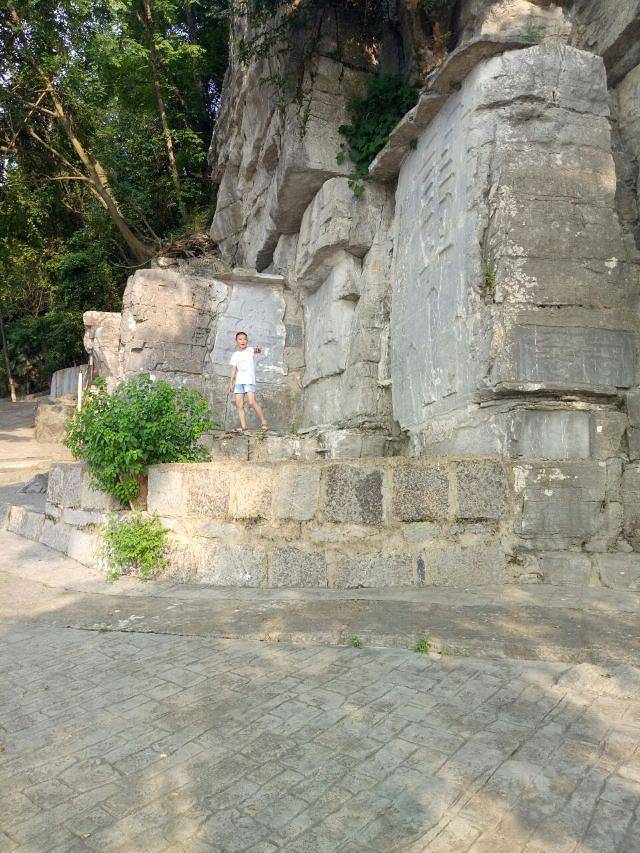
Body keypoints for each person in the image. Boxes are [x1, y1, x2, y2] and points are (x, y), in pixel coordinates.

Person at [228, 331, 269, 434]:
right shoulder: (235, 355)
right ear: (236, 341)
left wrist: (258, 349)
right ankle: (244, 427)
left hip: (249, 380)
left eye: (244, 339)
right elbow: (234, 369)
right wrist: (231, 383)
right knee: (239, 405)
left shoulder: (250, 350)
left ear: (247, 341)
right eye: (240, 339)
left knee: (251, 402)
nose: (243, 341)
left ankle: (264, 421)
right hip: (239, 382)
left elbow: (258, 350)